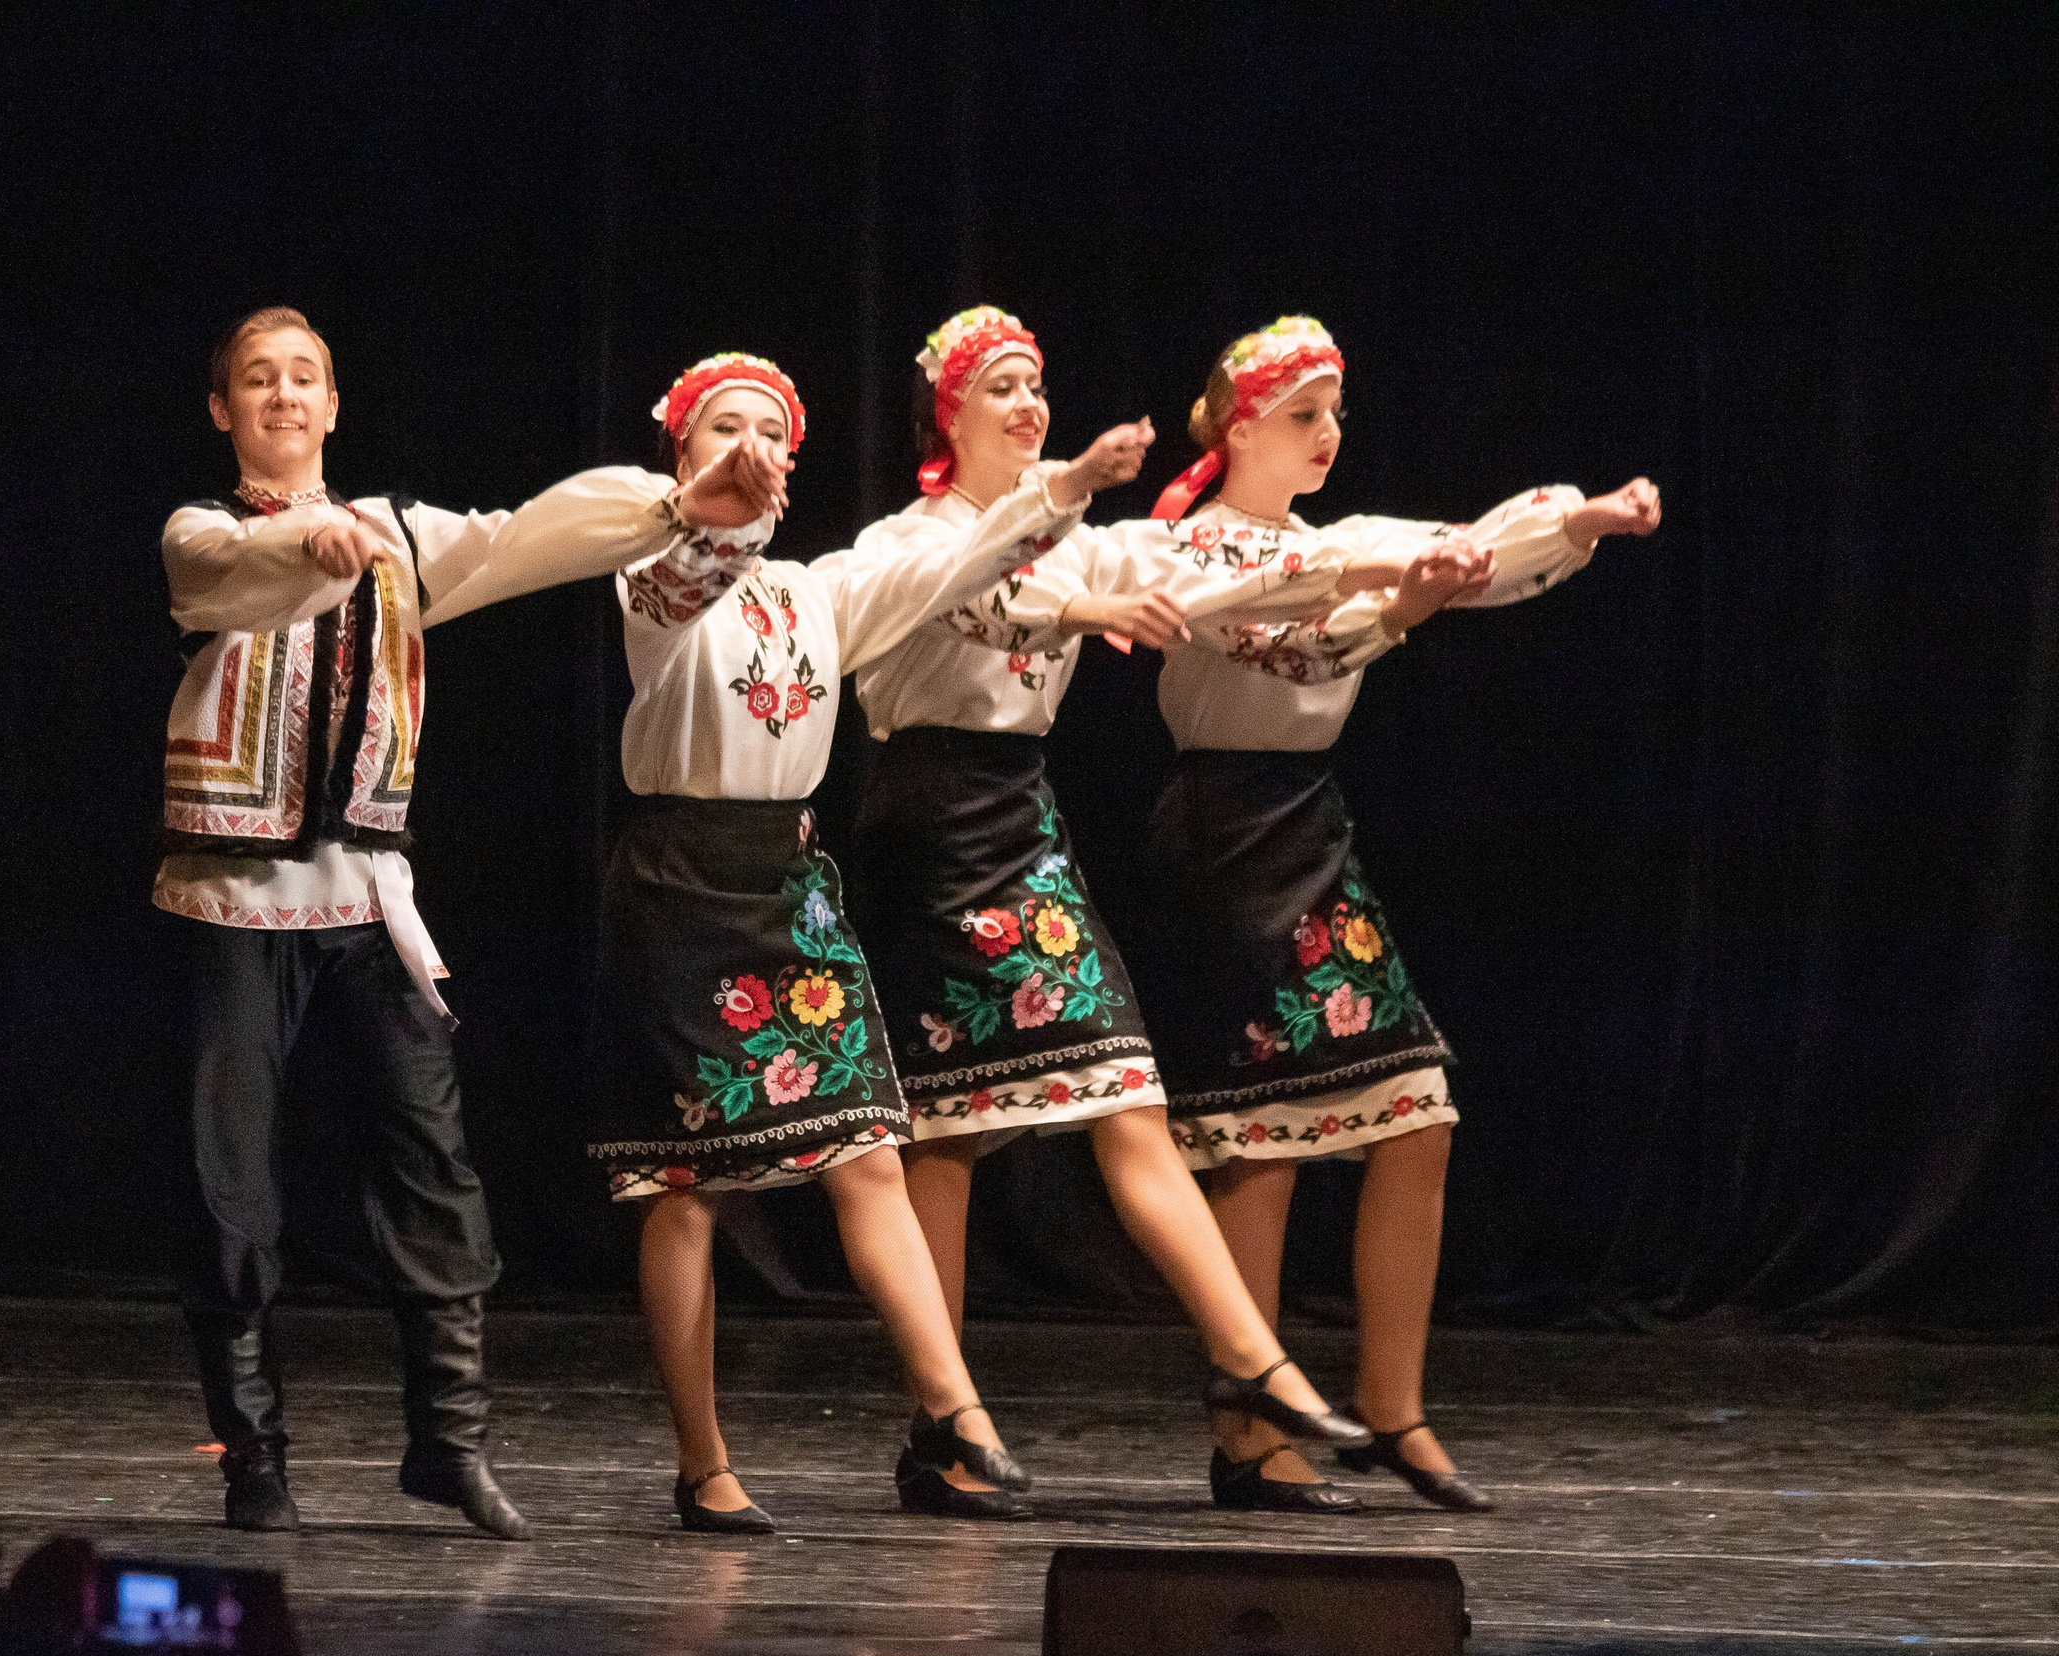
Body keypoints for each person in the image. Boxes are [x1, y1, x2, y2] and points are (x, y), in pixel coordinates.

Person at [157, 308, 784, 1535]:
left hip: (369, 901)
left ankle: (448, 1440)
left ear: (334, 407)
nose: (283, 395)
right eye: (257, 380)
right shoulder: (199, 534)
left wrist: (672, 506)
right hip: (233, 900)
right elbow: (232, 582)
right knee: (228, 1186)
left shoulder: (401, 537)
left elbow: (522, 541)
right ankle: (256, 1459)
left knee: (432, 1167)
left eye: (305, 378)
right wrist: (314, 546)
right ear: (224, 408)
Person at [851, 307, 1497, 1484]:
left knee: (1124, 1091)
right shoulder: (900, 540)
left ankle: (1256, 1371)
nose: (1029, 403)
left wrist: (1429, 560)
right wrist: (1082, 573)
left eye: (1036, 381)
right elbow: (960, 594)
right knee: (948, 1131)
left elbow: (1213, 564)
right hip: (930, 817)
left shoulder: (1083, 542)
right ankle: (948, 1423)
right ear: (945, 412)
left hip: (1020, 815)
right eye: (1001, 385)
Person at [565, 351, 1145, 1529]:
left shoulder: (819, 588)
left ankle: (955, 1409)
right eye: (721, 431)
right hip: (680, 882)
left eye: (768, 434)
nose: (747, 450)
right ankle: (704, 1461)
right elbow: (678, 583)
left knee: (869, 1150)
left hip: (786, 878)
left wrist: (1065, 485)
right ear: (680, 451)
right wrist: (706, 509)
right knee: (685, 1187)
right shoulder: (650, 567)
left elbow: (955, 564)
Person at [1141, 316, 1661, 1511]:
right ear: (1236, 426)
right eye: (1302, 415)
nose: (1327, 435)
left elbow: (1464, 545)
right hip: (1224, 833)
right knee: (1257, 1142)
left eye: (1333, 414)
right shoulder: (1184, 551)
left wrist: (1579, 520)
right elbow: (1289, 637)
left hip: (1308, 828)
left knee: (1414, 1111)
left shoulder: (1336, 540)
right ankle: (1247, 1430)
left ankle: (1393, 1409)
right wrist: (1395, 611)